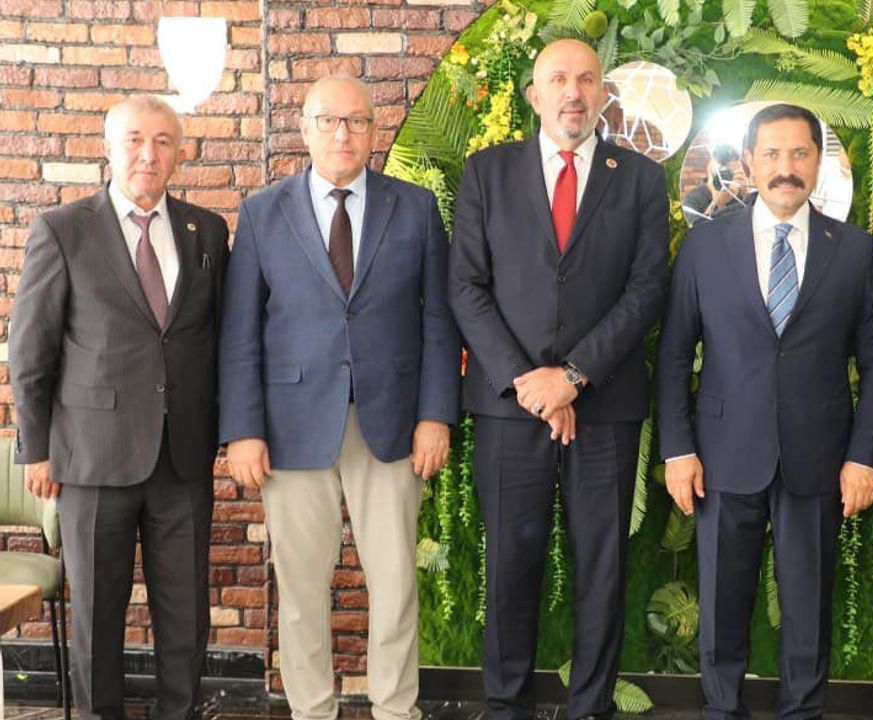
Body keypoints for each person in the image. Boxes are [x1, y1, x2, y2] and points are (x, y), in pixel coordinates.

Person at [219, 76, 461, 720]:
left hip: (393, 424)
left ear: (374, 131)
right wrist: (242, 429)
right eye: (328, 120)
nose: (343, 133)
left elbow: (439, 320)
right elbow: (240, 332)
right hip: (291, 428)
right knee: (301, 589)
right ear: (304, 128)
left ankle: (395, 709)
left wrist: (436, 415)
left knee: (396, 583)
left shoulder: (415, 209)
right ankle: (311, 710)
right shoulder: (263, 213)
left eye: (356, 121)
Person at [448, 38, 669, 720]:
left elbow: (645, 289)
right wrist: (530, 381)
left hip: (605, 406)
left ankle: (591, 707)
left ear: (603, 94)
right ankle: (505, 706)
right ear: (534, 95)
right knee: (510, 568)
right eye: (559, 79)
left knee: (601, 569)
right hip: (510, 409)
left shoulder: (639, 179)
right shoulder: (487, 172)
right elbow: (466, 287)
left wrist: (573, 377)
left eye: (587, 79)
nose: (574, 92)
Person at [655, 103, 873, 719]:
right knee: (721, 608)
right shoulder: (705, 247)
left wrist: (864, 457)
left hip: (819, 459)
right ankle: (720, 711)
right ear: (749, 162)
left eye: (799, 154)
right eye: (772, 154)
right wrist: (678, 450)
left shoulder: (855, 251)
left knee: (809, 611)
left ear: (818, 162)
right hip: (721, 455)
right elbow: (674, 354)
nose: (785, 167)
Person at [10, 95, 228, 720]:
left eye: (162, 141)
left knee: (185, 616)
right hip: (91, 458)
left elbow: (219, 338)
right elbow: (30, 349)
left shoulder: (208, 231)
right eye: (134, 139)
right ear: (108, 149)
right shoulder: (63, 229)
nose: (147, 154)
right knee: (98, 617)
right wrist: (37, 449)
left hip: (182, 458)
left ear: (179, 153)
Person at [681, 144, 749, 224]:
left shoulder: (741, 194)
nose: (726, 177)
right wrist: (716, 203)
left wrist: (747, 196)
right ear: (709, 169)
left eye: (731, 173)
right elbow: (697, 229)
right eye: (722, 172)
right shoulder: (692, 198)